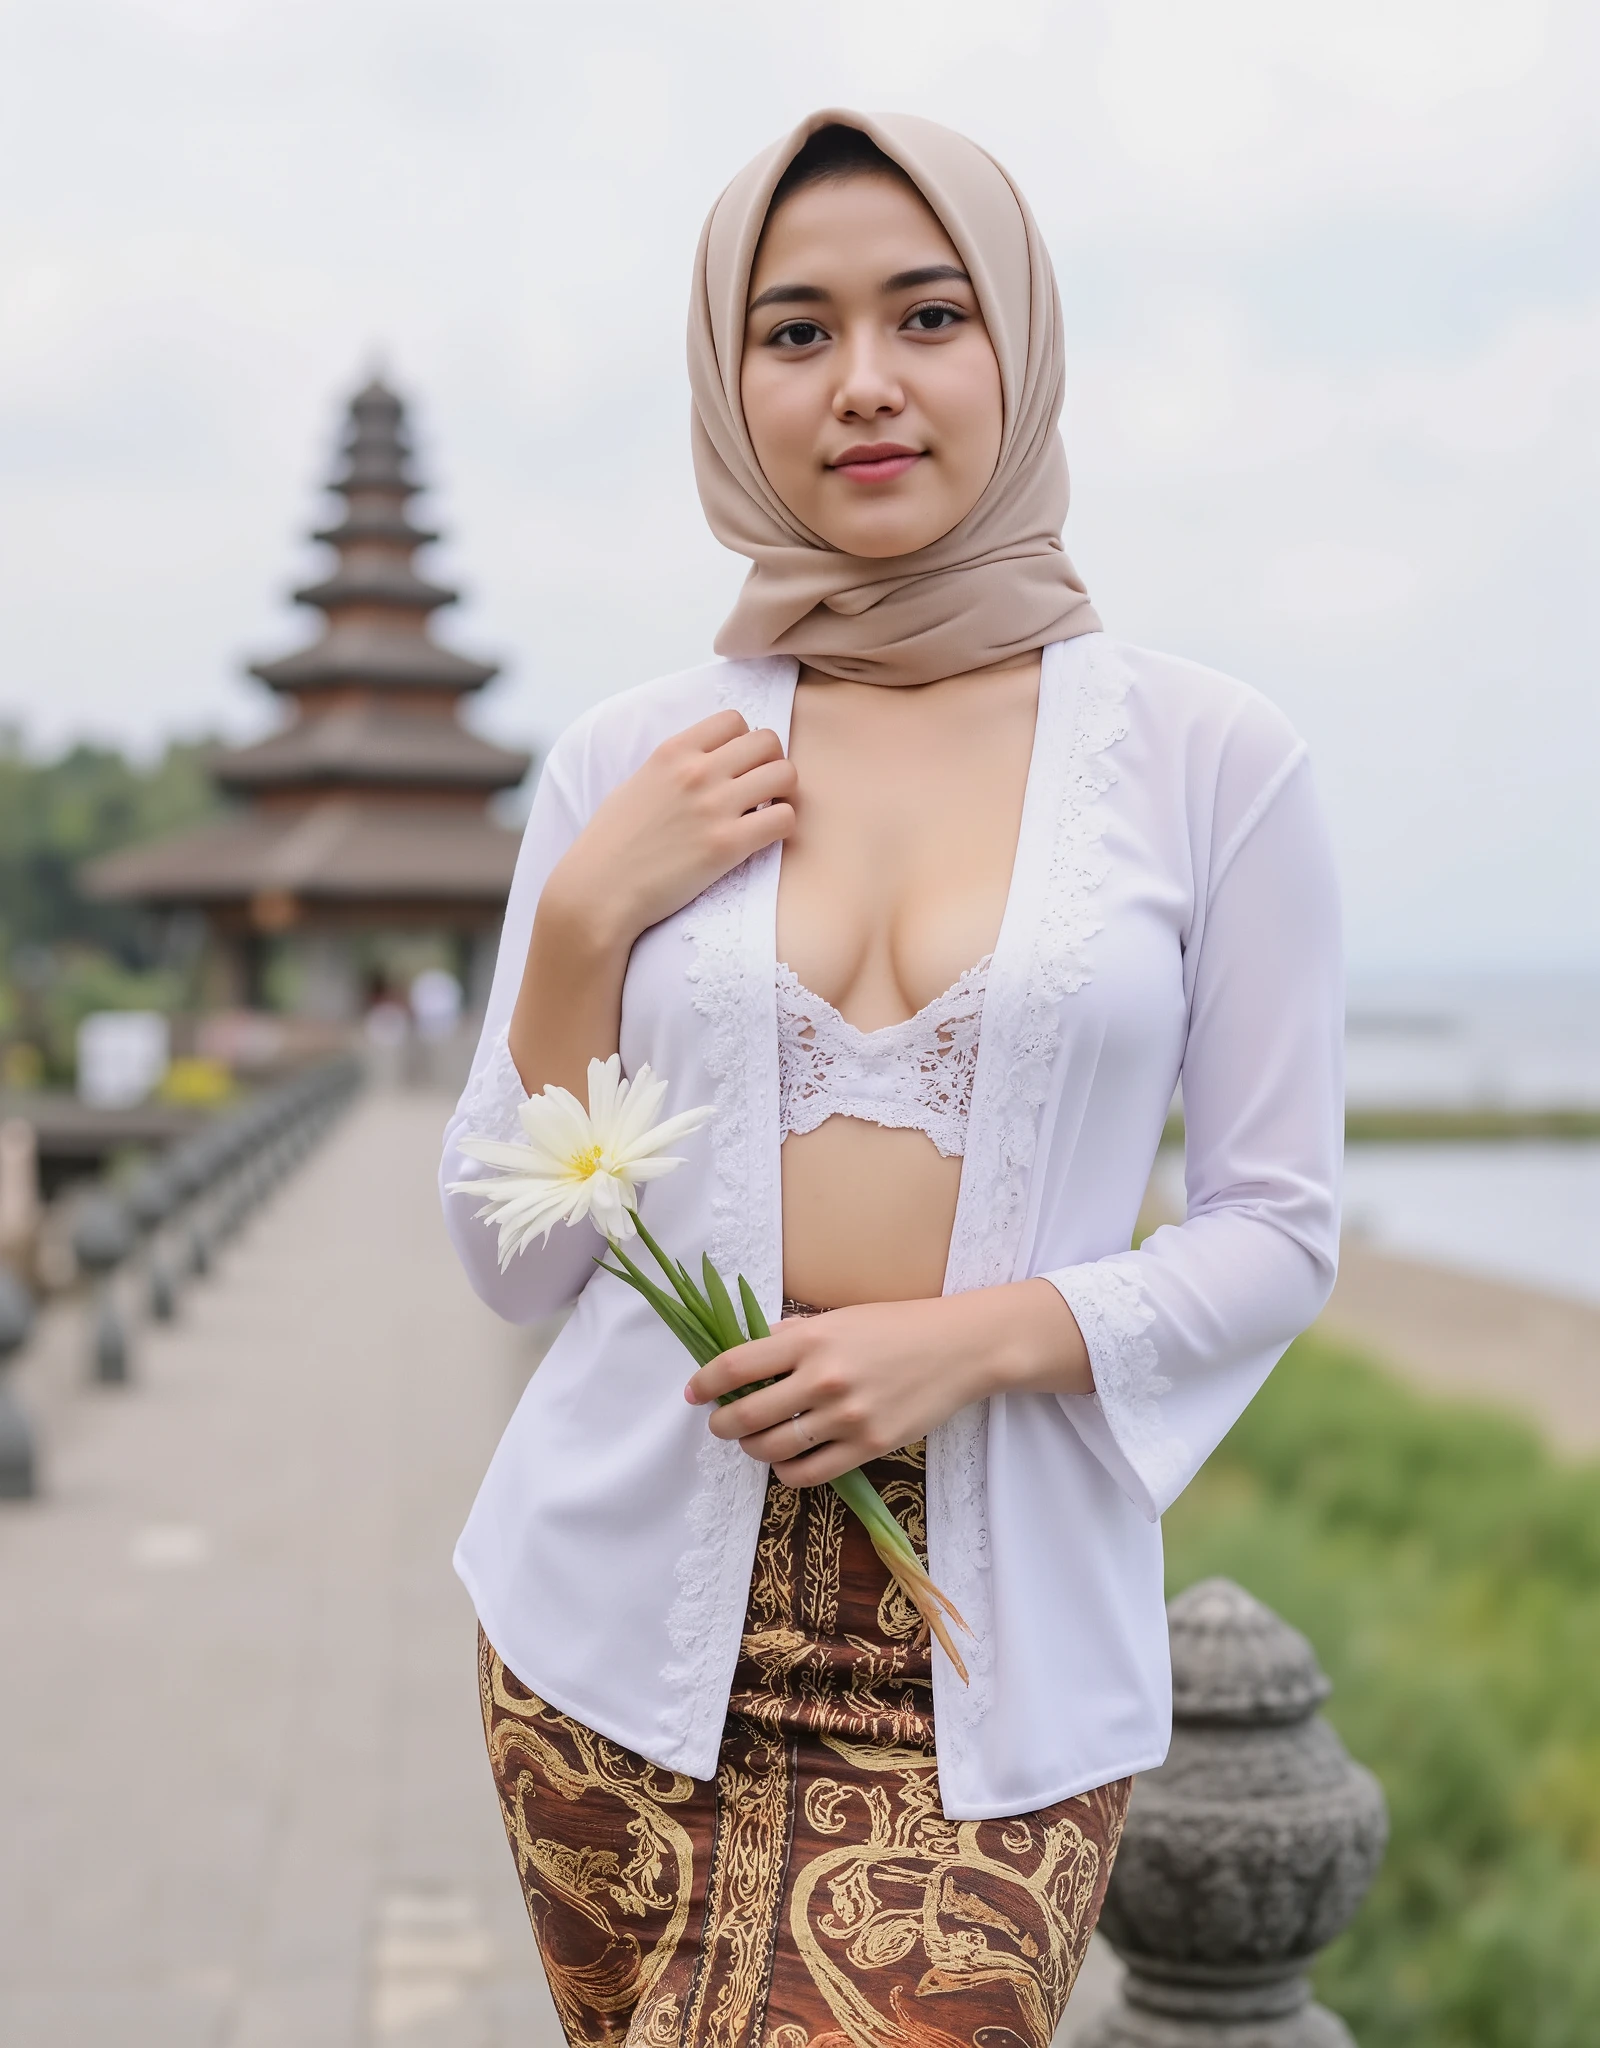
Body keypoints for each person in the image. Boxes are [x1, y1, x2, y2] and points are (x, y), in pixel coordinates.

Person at [441, 110, 1342, 2048]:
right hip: (603, 1624)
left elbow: (1275, 1229)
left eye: (924, 315)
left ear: (1013, 345)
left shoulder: (1206, 756)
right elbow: (507, 1259)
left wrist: (970, 1340)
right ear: (724, 375)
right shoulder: (629, 758)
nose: (861, 382)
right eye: (792, 331)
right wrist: (581, 927)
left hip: (989, 1642)